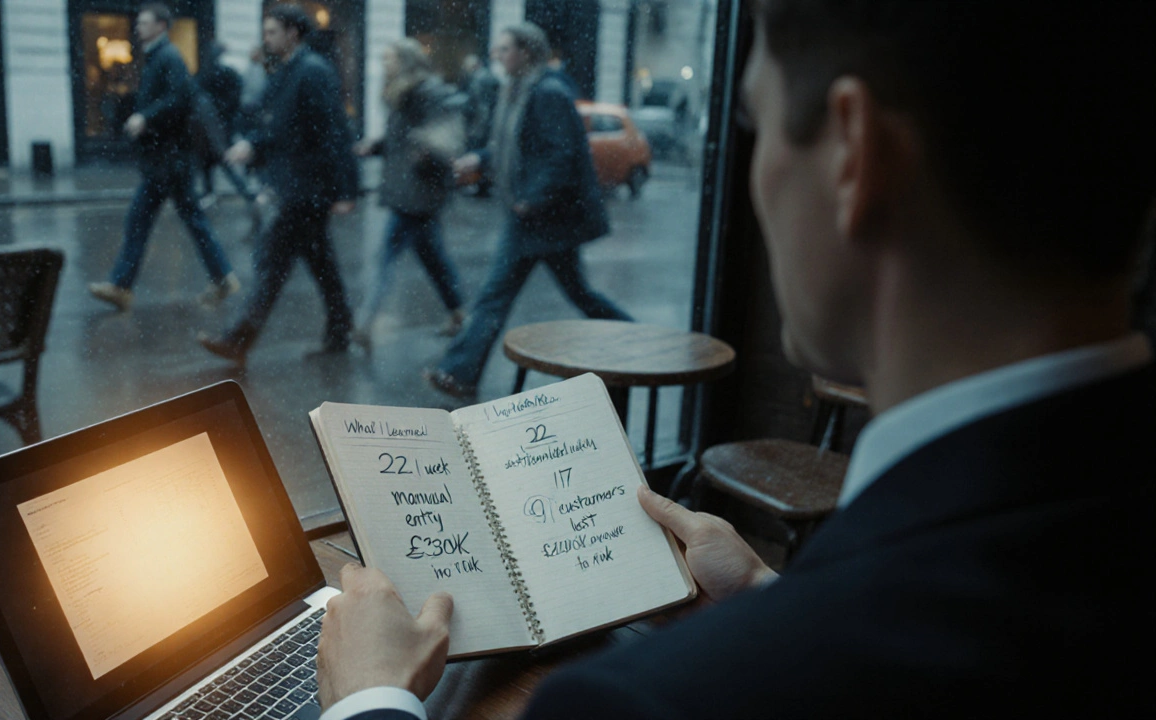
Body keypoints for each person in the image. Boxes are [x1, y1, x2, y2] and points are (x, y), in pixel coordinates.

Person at [316, 1, 1156, 718]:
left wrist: (370, 698)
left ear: (852, 158)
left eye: (751, 126)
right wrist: (767, 600)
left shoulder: (651, 702)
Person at [424, 23, 632, 399]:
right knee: (577, 293)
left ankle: (458, 372)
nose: (496, 55)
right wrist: (480, 159)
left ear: (527, 52)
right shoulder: (518, 90)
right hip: (537, 218)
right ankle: (632, 336)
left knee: (495, 295)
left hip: (539, 216)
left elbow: (560, 154)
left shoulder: (547, 92)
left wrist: (531, 198)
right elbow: (513, 146)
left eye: (504, 49)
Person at [198, 3, 359, 364]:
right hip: (296, 185)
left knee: (272, 262)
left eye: (272, 31)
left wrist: (347, 189)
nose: (266, 38)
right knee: (322, 264)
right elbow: (280, 127)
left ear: (293, 33)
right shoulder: (287, 70)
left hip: (307, 188)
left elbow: (333, 132)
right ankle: (340, 327)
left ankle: (239, 338)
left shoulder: (312, 71)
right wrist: (253, 146)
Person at [88, 3, 238, 312]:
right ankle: (222, 277)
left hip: (169, 161)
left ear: (161, 26)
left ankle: (121, 286)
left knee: (142, 220)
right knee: (185, 220)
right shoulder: (159, 56)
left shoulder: (168, 57)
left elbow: (179, 98)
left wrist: (145, 117)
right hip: (169, 160)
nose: (138, 27)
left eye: (143, 23)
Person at [353, 38, 467, 347]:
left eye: (389, 59)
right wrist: (376, 146)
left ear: (405, 61)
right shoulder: (402, 93)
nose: (384, 64)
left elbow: (444, 131)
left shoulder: (424, 92)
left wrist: (427, 147)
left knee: (385, 259)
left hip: (419, 191)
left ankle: (364, 323)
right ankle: (458, 313)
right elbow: (400, 137)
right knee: (433, 258)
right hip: (412, 190)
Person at [194, 42, 256, 208]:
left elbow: (199, 92)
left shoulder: (209, 73)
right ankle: (244, 193)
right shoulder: (230, 74)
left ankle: (213, 193)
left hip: (212, 127)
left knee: (216, 162)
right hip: (222, 125)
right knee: (221, 161)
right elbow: (236, 99)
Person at [459, 53, 499, 196]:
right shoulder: (484, 78)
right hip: (482, 126)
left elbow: (482, 107)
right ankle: (481, 185)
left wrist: (477, 128)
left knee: (478, 155)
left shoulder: (481, 80)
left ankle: (481, 186)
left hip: (480, 127)